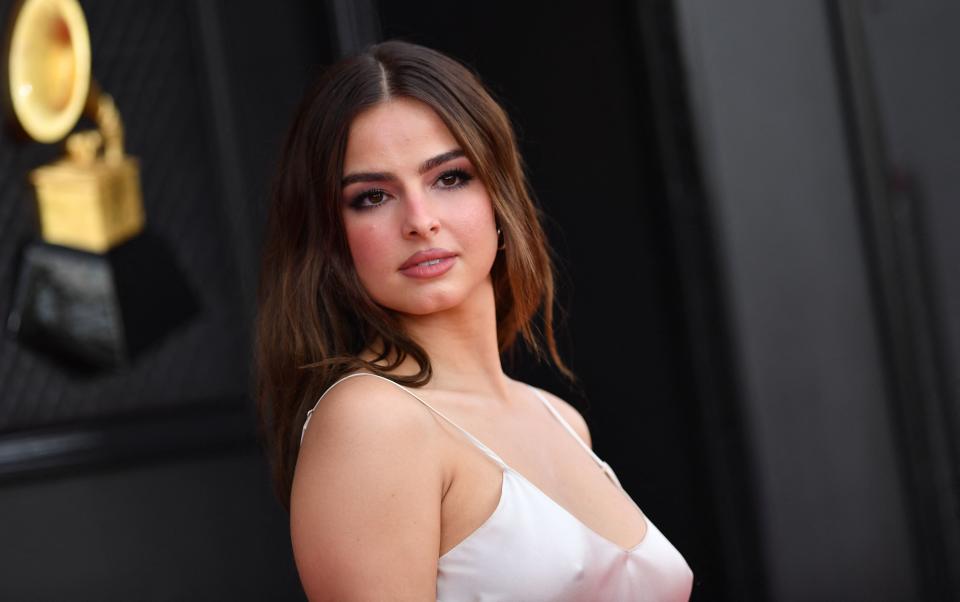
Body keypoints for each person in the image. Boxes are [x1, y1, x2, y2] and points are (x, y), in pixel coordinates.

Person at [255, 40, 693, 601]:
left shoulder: (557, 417)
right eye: (371, 197)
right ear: (330, 237)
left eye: (450, 178)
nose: (420, 220)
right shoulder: (372, 422)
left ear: (499, 197)